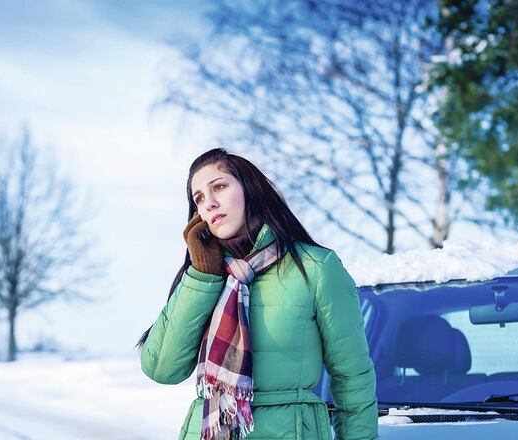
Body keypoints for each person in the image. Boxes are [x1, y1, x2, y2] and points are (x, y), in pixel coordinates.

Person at [136, 148, 378, 440]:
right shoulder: (206, 277)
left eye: (219, 187)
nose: (209, 203)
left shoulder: (316, 268)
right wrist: (202, 275)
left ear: (251, 189)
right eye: (198, 198)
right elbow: (162, 368)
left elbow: (351, 377)